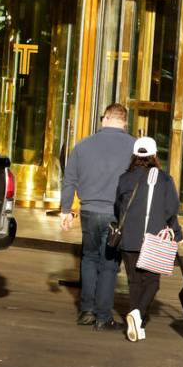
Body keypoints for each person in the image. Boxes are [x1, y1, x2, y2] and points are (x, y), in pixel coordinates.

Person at [59, 103, 135, 331]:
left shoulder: (82, 146)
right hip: (116, 214)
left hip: (89, 211)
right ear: (124, 121)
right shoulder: (133, 147)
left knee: (89, 258)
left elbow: (69, 179)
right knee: (109, 264)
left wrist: (66, 210)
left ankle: (87, 311)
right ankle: (103, 316)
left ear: (105, 119)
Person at [115, 137, 183, 343]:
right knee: (152, 281)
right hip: (153, 239)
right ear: (154, 155)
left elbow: (118, 208)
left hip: (128, 238)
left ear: (135, 156)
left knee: (134, 281)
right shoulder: (164, 179)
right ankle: (137, 315)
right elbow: (171, 210)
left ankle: (136, 320)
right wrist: (177, 234)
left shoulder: (124, 178)